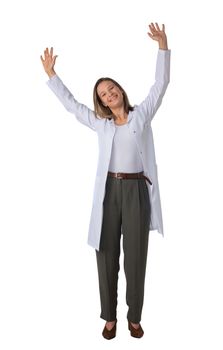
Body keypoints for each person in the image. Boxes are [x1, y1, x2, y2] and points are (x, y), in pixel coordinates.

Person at [40, 22, 171, 339]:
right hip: (109, 190)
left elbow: (161, 82)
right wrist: (52, 76)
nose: (109, 94)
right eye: (102, 94)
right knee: (106, 253)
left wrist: (163, 46)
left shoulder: (142, 114)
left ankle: (134, 316)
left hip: (137, 188)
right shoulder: (101, 123)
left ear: (121, 91)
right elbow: (72, 106)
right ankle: (109, 316)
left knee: (136, 256)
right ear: (101, 102)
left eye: (112, 89)